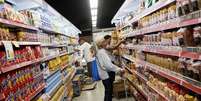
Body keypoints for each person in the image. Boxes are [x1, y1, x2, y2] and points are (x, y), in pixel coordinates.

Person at [95, 37, 124, 101]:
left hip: (103, 74)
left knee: (107, 91)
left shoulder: (99, 51)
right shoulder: (102, 52)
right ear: (101, 44)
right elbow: (108, 65)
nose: (106, 42)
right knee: (109, 92)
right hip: (106, 75)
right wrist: (119, 69)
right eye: (104, 41)